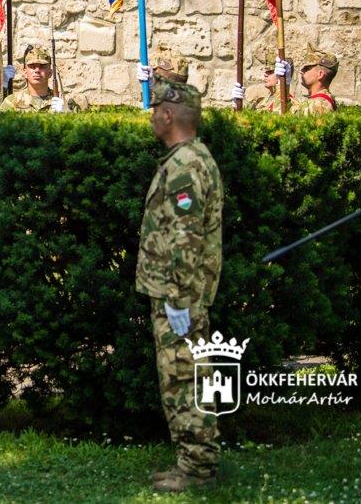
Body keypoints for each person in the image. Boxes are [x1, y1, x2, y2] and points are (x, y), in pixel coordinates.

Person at [137, 76, 224, 492]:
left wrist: (177, 297)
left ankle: (196, 468)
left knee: (183, 379)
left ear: (169, 114)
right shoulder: (190, 158)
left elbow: (186, 237)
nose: (152, 117)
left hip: (180, 294)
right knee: (187, 375)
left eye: (156, 110)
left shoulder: (185, 165)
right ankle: (192, 461)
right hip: (182, 291)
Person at [0, 46, 76, 112]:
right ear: (25, 73)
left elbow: (78, 123)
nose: (37, 70)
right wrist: (4, 85)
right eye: (32, 66)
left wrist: (66, 113)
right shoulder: (12, 102)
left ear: (50, 73)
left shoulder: (64, 102)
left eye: (42, 66)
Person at [240, 46, 294, 112]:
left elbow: (280, 112)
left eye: (270, 72)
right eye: (266, 72)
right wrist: (239, 102)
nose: (265, 74)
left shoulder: (289, 102)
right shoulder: (262, 101)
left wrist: (284, 83)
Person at [299, 47, 340, 113]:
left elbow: (287, 114)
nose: (302, 71)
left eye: (307, 69)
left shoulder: (318, 104)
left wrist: (284, 83)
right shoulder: (323, 100)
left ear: (320, 74)